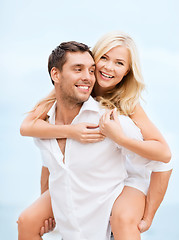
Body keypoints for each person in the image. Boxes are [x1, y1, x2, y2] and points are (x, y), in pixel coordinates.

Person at [18, 33, 172, 240]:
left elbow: (164, 155)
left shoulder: (126, 104)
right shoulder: (66, 94)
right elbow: (35, 136)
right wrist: (71, 131)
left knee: (123, 218)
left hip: (129, 177)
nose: (108, 67)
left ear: (127, 71)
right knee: (27, 220)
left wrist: (148, 217)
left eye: (119, 63)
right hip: (88, 176)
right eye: (104, 59)